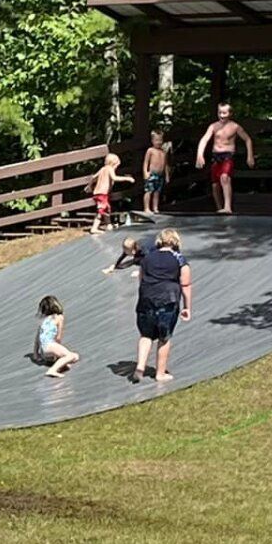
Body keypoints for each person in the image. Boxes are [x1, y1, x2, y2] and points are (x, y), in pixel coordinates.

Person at [133, 229, 191, 384]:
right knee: (163, 337)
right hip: (167, 300)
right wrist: (187, 307)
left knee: (146, 335)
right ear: (176, 241)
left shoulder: (147, 258)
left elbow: (141, 280)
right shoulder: (179, 259)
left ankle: (140, 367)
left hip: (146, 300)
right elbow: (185, 284)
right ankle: (160, 373)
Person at [194, 104, 255, 215]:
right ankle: (219, 207)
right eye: (220, 113)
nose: (222, 115)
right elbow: (204, 140)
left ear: (230, 114)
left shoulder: (235, 127)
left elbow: (247, 139)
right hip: (216, 156)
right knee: (215, 184)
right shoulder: (213, 126)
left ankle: (227, 207)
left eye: (224, 113)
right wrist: (199, 155)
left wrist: (250, 156)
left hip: (228, 155)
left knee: (225, 177)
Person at [31, 296, 79, 376]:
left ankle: (59, 363)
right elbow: (58, 337)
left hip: (43, 351)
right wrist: (58, 348)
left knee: (74, 357)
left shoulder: (43, 321)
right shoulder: (59, 317)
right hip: (50, 345)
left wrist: (36, 354)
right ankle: (52, 370)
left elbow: (37, 340)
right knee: (71, 356)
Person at [88, 152, 134, 234]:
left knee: (106, 209)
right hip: (102, 194)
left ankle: (109, 225)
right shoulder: (110, 169)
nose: (116, 168)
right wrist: (127, 179)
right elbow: (114, 178)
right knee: (101, 211)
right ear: (113, 163)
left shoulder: (102, 169)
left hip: (98, 193)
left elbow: (93, 177)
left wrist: (90, 186)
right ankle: (94, 228)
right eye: (116, 166)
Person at [141, 130, 171, 215]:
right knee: (149, 191)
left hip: (160, 175)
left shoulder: (163, 152)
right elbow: (145, 162)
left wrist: (167, 175)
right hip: (151, 174)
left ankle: (155, 207)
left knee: (157, 192)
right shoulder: (150, 150)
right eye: (156, 140)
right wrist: (145, 172)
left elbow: (165, 165)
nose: (159, 142)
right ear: (152, 141)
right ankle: (146, 208)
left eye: (160, 140)